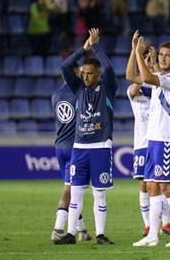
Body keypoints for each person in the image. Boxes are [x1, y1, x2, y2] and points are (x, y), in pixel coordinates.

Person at [54, 28, 116, 245]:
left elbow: (108, 66)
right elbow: (64, 66)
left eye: (90, 73)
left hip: (100, 147)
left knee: (99, 194)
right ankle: (70, 234)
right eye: (83, 73)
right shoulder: (78, 88)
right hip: (79, 148)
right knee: (77, 193)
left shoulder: (107, 88)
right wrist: (84, 48)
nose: (85, 76)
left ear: (98, 74)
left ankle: (100, 234)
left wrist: (96, 47)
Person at [132, 35, 170, 247]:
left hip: (166, 140)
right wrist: (133, 50)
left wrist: (140, 54)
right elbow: (131, 75)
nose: (163, 58)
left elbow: (147, 78)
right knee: (153, 188)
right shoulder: (158, 79)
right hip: (152, 140)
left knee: (167, 187)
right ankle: (152, 235)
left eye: (168, 56)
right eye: (161, 55)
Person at [125, 30, 170, 238]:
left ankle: (166, 223)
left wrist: (152, 63)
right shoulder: (136, 91)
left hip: (159, 140)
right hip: (142, 143)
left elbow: (156, 79)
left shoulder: (158, 89)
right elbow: (134, 82)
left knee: (161, 183)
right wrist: (135, 53)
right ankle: (148, 225)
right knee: (145, 185)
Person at [51, 73, 92, 243]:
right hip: (75, 147)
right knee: (71, 190)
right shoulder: (80, 93)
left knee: (72, 188)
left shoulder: (55, 95)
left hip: (60, 146)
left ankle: (82, 230)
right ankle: (58, 229)